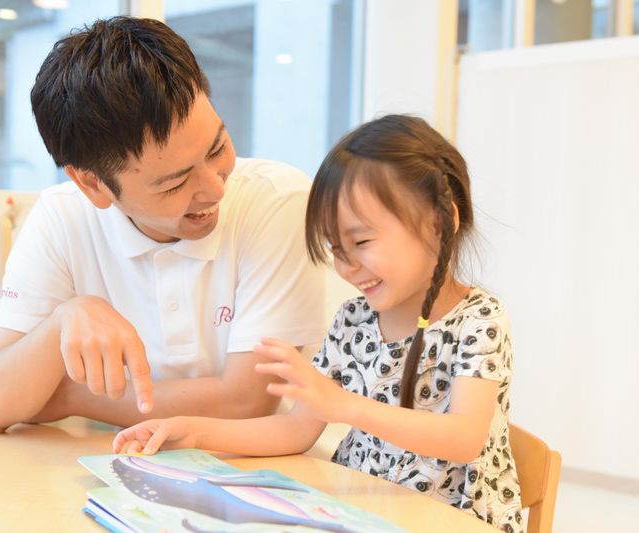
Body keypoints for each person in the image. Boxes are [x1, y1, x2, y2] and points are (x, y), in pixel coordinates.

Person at [113, 115, 524, 532]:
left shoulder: (479, 319)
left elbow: (464, 438)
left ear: (440, 222)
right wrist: (191, 432)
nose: (347, 266)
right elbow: (295, 428)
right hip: (365, 517)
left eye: (361, 242)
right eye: (336, 249)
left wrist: (345, 405)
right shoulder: (353, 320)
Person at [0, 17, 325, 434]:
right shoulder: (62, 217)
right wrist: (65, 318)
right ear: (92, 184)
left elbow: (246, 402)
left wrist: (67, 397)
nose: (215, 189)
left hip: (255, 465)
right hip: (103, 463)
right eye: (175, 182)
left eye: (217, 149)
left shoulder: (276, 200)